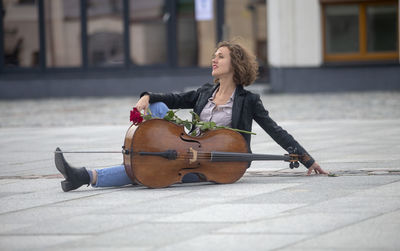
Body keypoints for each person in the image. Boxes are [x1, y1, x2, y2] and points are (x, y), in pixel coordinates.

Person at [55, 41, 328, 192]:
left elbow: (275, 130)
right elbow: (173, 98)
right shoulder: (205, 91)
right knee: (160, 110)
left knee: (150, 171)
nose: (214, 60)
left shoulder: (248, 100)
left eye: (220, 57)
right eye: (214, 56)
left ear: (235, 65)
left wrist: (307, 159)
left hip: (217, 163)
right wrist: (147, 95)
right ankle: (88, 174)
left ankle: (84, 175)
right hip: (187, 149)